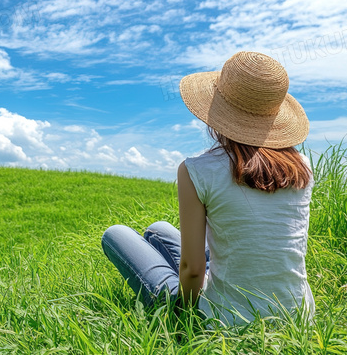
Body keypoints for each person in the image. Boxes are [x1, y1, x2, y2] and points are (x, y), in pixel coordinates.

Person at [101, 51, 315, 326]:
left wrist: (186, 318)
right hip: (296, 315)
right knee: (158, 229)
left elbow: (192, 270)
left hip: (229, 318)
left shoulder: (197, 169)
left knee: (115, 234)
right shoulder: (302, 167)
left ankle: (178, 308)